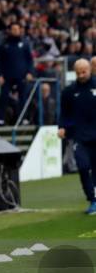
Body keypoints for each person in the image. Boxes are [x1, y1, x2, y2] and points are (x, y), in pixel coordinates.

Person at [58, 59, 96, 215]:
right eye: (78, 72)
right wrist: (61, 127)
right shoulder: (68, 91)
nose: (81, 75)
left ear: (89, 70)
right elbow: (64, 113)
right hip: (79, 136)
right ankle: (92, 200)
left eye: (84, 71)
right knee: (82, 166)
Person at [0, 23, 35, 125]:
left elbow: (29, 60)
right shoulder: (4, 45)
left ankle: (24, 118)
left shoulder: (25, 44)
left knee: (23, 97)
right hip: (7, 76)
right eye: (13, 29)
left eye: (17, 29)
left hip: (21, 76)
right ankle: (0, 118)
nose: (16, 31)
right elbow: (0, 61)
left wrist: (30, 72)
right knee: (3, 97)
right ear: (9, 30)